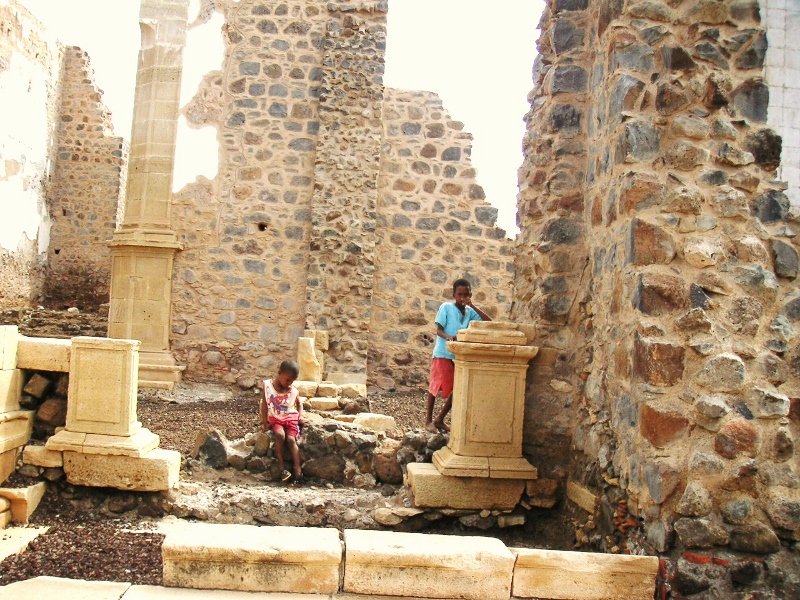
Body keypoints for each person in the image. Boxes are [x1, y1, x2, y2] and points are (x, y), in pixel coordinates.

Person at [425, 278, 491, 433]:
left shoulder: (470, 311)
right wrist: (448, 336)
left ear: (470, 295)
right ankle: (428, 421)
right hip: (443, 352)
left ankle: (440, 419)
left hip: (458, 356)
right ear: (454, 294)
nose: (462, 298)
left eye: (466, 294)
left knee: (458, 388)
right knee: (435, 386)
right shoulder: (446, 307)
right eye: (460, 294)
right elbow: (438, 330)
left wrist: (473, 305)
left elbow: (488, 322)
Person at [260, 360, 304, 484]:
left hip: (291, 418)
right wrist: (265, 422)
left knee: (291, 440)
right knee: (280, 435)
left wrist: (300, 415)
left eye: (292, 381)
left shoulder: (292, 390)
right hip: (276, 418)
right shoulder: (268, 386)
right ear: (279, 373)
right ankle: (281, 469)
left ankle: (298, 471)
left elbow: (299, 404)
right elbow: (264, 404)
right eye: (288, 380)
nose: (289, 383)